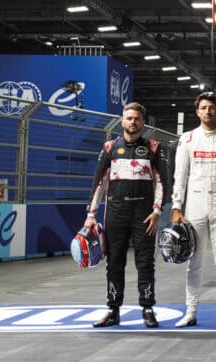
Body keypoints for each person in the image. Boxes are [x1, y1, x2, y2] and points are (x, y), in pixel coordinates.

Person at [85, 102, 170, 328]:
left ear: (143, 122)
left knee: (145, 263)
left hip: (144, 215)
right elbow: (99, 183)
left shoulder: (154, 147)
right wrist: (91, 214)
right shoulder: (109, 147)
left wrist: (157, 211)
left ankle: (148, 309)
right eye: (129, 118)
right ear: (122, 121)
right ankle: (113, 310)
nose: (133, 122)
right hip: (115, 214)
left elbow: (162, 183)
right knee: (114, 263)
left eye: (137, 119)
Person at [171, 92, 216, 328]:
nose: (208, 111)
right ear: (197, 111)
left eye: (212, 107)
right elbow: (180, 175)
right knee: (194, 260)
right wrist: (177, 207)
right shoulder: (188, 139)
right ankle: (191, 311)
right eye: (203, 107)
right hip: (195, 205)